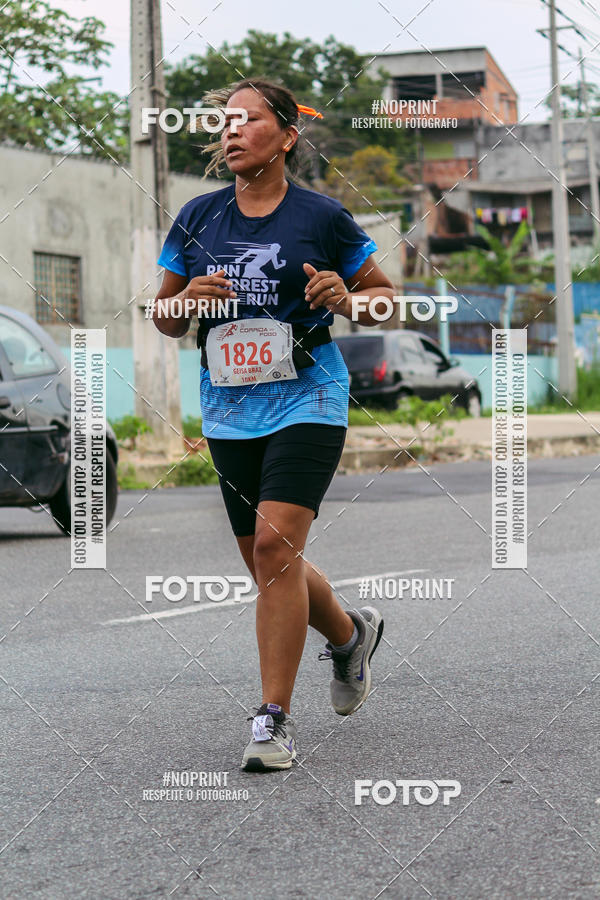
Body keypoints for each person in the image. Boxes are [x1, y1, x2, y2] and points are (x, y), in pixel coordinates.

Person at [152, 78, 395, 772]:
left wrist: (349, 298)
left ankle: (273, 720)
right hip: (229, 408)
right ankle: (350, 637)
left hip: (308, 396)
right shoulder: (198, 217)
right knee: (272, 562)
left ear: (287, 136)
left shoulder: (322, 217)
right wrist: (185, 299)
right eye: (223, 122)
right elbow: (164, 318)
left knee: (271, 548)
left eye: (247, 120)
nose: (231, 132)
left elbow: (387, 302)